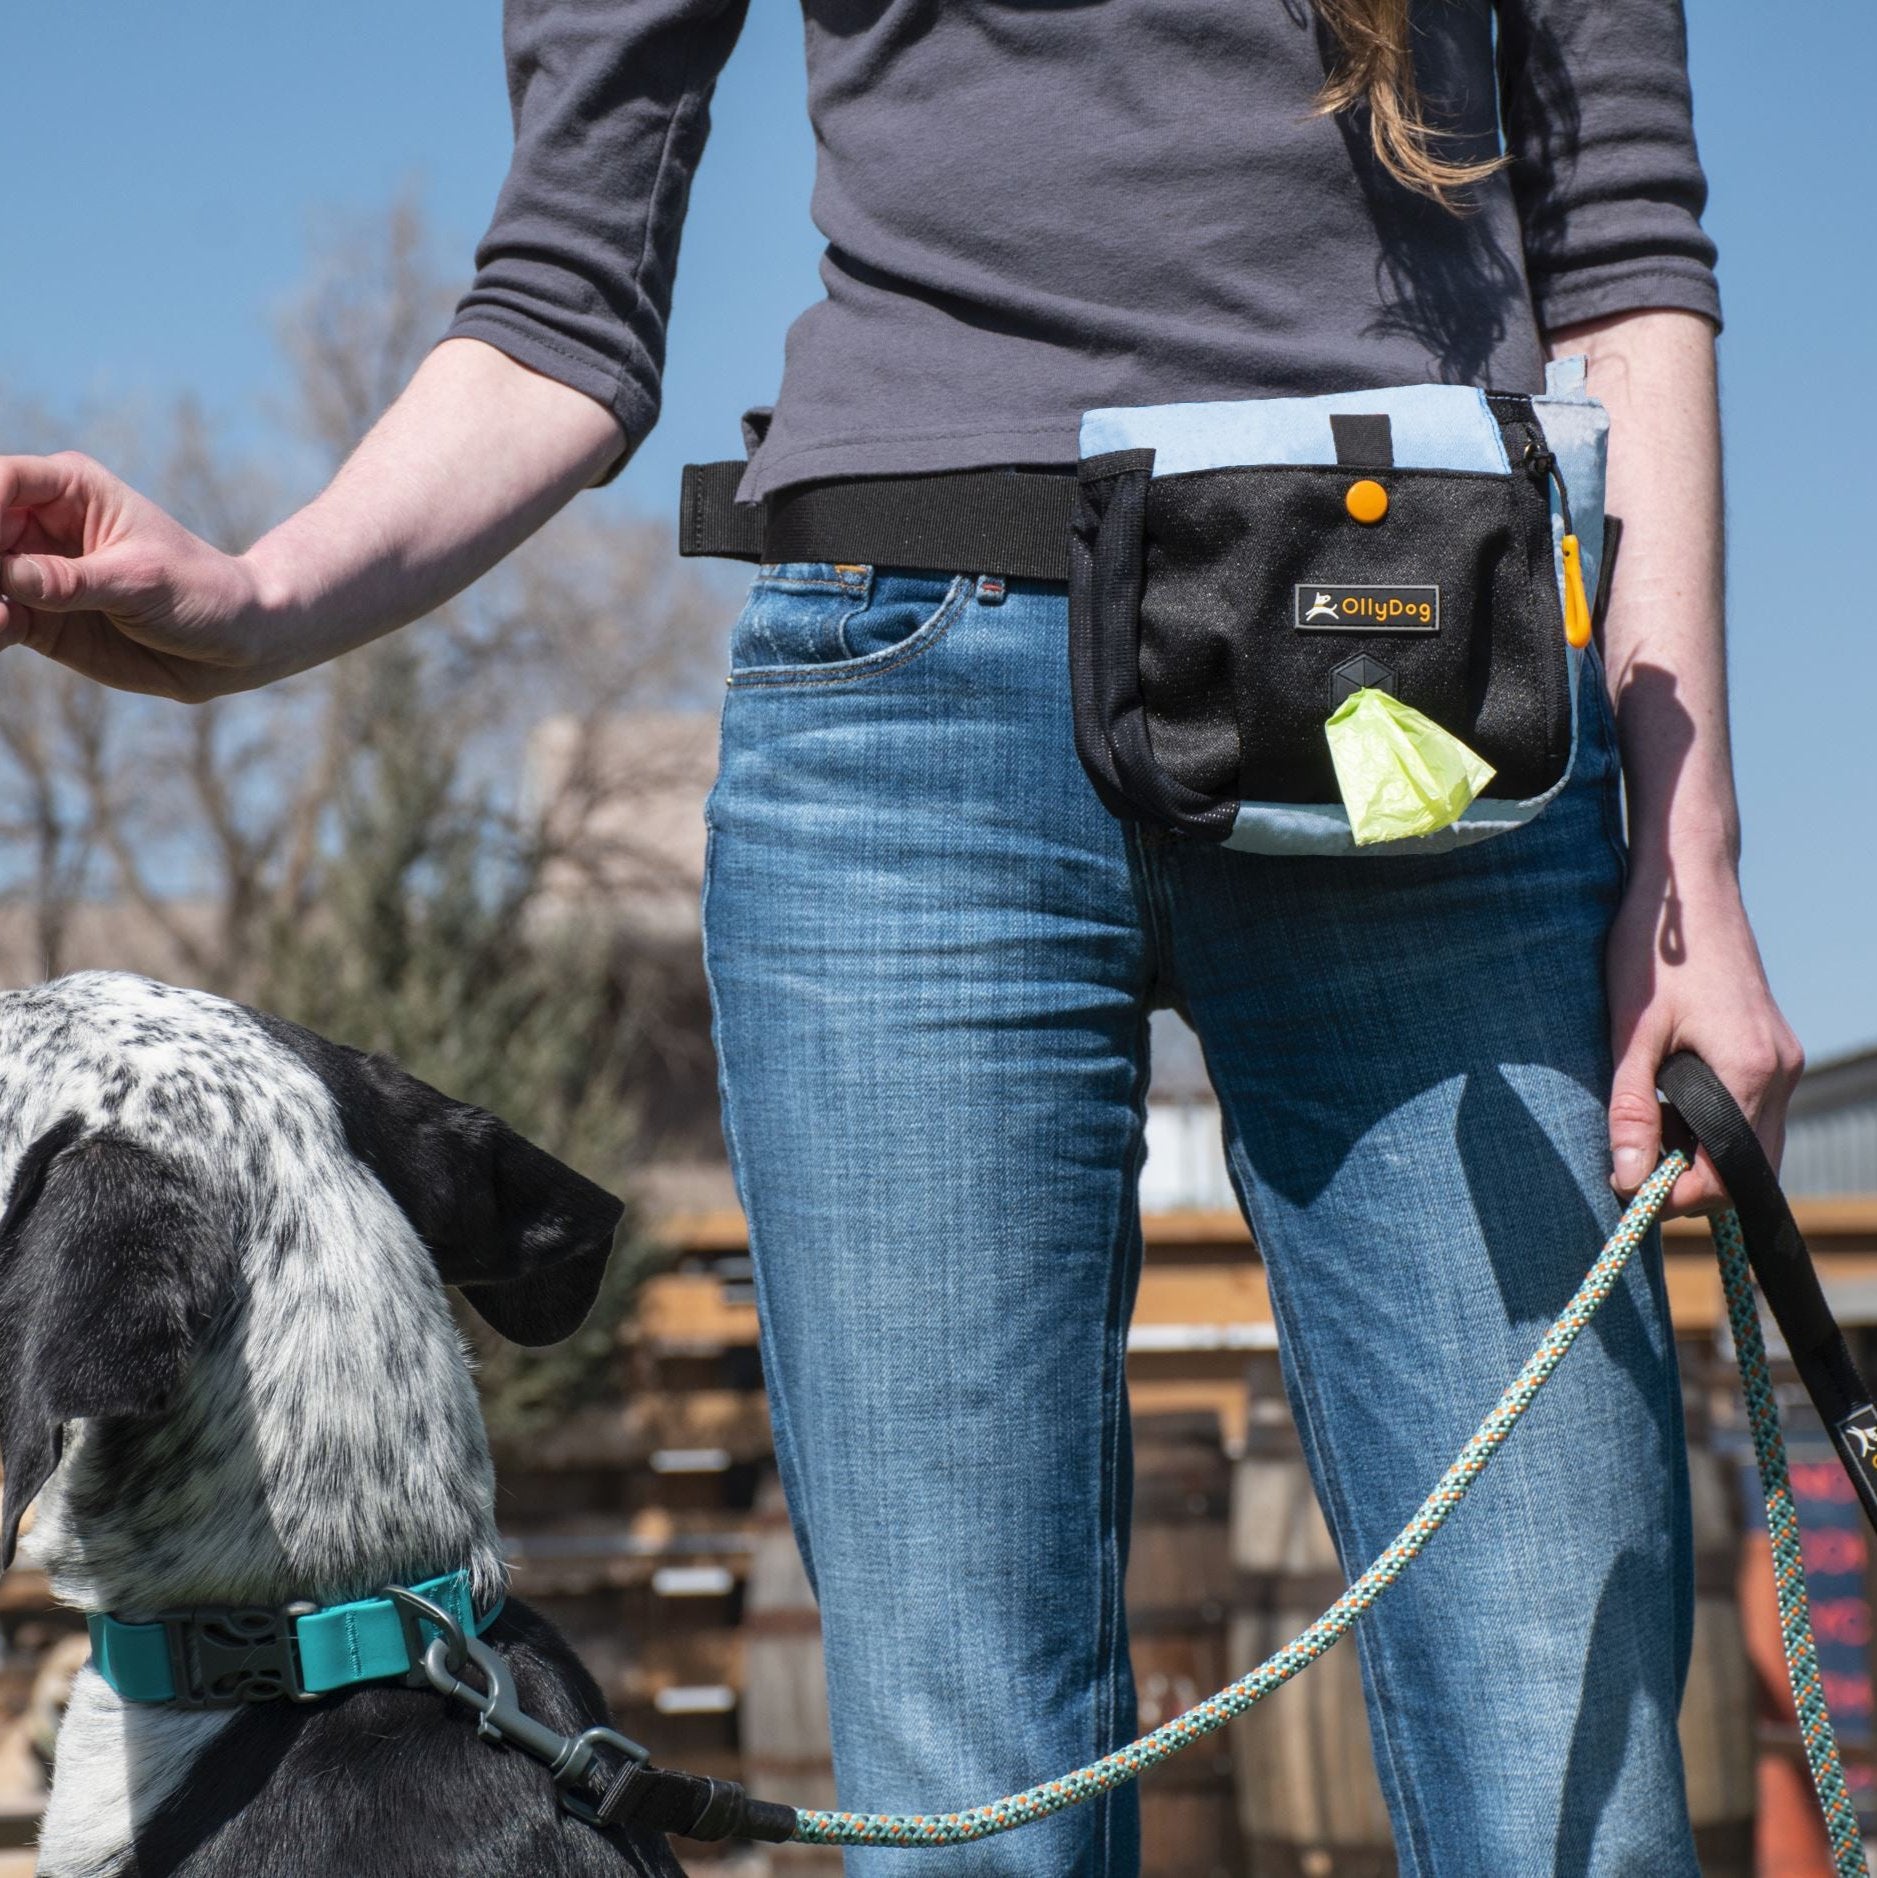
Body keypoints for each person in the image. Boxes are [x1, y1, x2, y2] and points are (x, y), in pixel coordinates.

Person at [0, 1, 1804, 1871]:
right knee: (965, 1808)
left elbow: (1620, 237)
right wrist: (255, 592)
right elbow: (562, 296)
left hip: (1415, 690)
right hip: (903, 720)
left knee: (1565, 1768)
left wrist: (1690, 851)